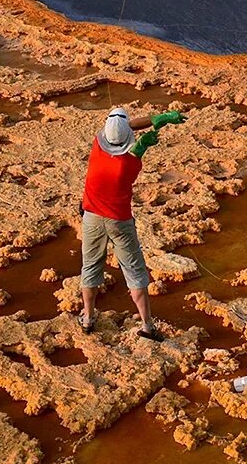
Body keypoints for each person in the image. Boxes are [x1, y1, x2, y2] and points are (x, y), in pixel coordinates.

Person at [79, 106, 185, 340]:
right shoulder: (130, 165)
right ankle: (147, 326)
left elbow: (124, 133)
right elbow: (133, 147)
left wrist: (149, 132)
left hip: (92, 219)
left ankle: (87, 318)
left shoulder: (97, 147)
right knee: (135, 272)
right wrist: (159, 120)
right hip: (120, 222)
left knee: (90, 267)